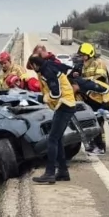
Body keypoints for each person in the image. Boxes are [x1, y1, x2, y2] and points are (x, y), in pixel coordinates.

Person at [29, 54, 75, 184]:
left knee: (52, 139)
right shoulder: (48, 66)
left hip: (64, 104)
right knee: (57, 139)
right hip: (65, 105)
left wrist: (42, 99)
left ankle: (50, 173)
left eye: (32, 67)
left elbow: (56, 93)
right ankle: (63, 171)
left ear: (35, 65)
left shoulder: (47, 72)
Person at [74, 44, 109, 156]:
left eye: (83, 55)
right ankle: (95, 146)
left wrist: (82, 80)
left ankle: (101, 147)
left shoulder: (98, 63)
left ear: (89, 54)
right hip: (91, 97)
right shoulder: (84, 65)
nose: (82, 57)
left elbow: (99, 79)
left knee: (99, 122)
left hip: (101, 98)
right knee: (92, 121)